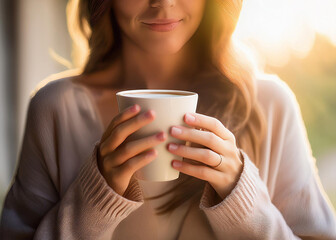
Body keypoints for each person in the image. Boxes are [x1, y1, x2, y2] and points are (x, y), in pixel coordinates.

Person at [1, 0, 336, 239]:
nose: (163, 3)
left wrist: (244, 201)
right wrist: (94, 200)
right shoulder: (55, 108)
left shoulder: (270, 106)